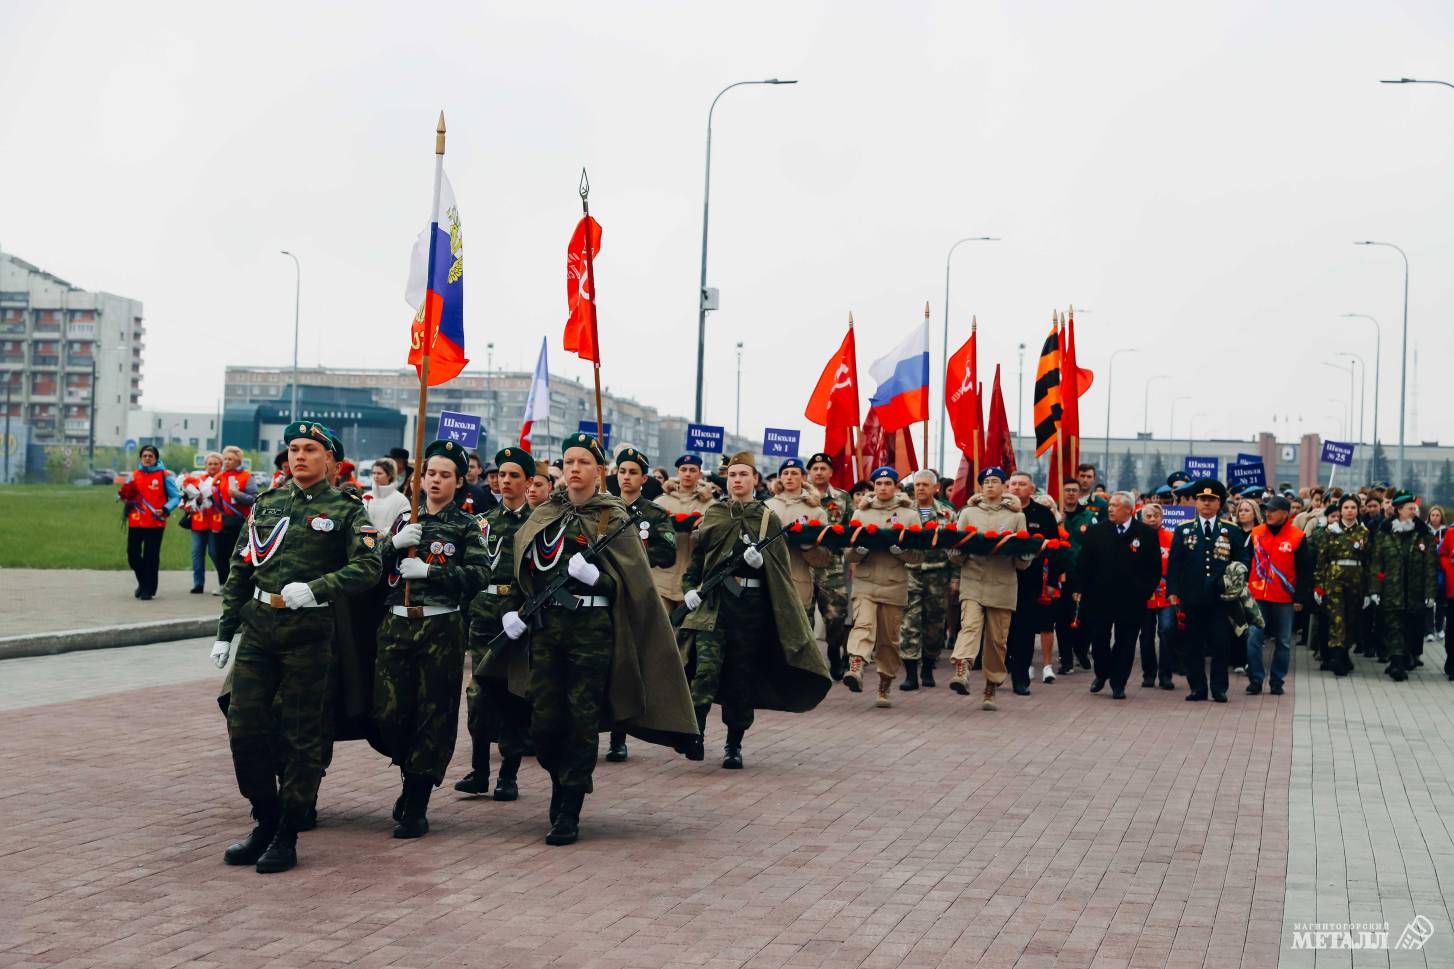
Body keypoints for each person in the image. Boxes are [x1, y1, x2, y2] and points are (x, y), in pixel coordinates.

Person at [497, 432, 698, 846]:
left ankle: (568, 804)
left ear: (599, 471)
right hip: (545, 630)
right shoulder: (545, 512)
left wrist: (600, 579)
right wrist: (513, 608)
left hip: (591, 631)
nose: (574, 468)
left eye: (584, 462)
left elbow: (636, 585)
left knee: (581, 720)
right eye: (568, 461)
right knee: (545, 721)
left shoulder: (614, 517)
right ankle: (561, 778)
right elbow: (522, 568)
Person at [209, 421, 381, 873]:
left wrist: (321, 587)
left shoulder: (346, 509)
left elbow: (369, 567)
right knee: (244, 729)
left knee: (302, 735)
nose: (298, 456)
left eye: (309, 449)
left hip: (308, 632)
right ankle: (264, 819)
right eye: (293, 449)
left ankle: (287, 833)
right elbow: (240, 569)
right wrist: (226, 632)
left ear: (330, 460)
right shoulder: (266, 504)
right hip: (260, 629)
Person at [679, 451, 831, 767]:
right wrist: (689, 591)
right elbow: (696, 563)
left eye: (743, 475)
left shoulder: (767, 519)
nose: (737, 480)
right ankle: (696, 733)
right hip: (712, 606)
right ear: (726, 479)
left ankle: (734, 745)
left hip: (749, 610)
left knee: (740, 678)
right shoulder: (713, 514)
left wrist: (761, 565)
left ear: (755, 480)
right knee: (705, 672)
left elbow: (779, 570)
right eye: (732, 475)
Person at [372, 440, 490, 838]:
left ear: (458, 482)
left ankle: (417, 799)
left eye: (445, 475)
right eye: (431, 473)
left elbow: (479, 576)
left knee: (432, 713)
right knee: (391, 713)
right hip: (397, 626)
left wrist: (430, 572)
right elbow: (369, 567)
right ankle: (408, 776)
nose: (436, 481)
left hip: (441, 626)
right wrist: (392, 546)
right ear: (420, 478)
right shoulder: (405, 520)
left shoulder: (466, 525)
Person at [459, 446, 539, 798]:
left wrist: (523, 612)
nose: (505, 481)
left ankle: (508, 775)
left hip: (519, 620)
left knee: (514, 697)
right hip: (484, 618)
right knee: (479, 696)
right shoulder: (482, 523)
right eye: (501, 475)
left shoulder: (538, 524)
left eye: (513, 476)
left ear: (529, 482)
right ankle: (479, 771)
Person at [603, 446, 677, 764]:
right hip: (605, 593)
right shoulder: (604, 510)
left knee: (627, 664)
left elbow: (668, 552)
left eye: (633, 472)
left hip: (637, 595)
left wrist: (639, 558)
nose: (627, 477)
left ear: (644, 478)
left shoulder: (655, 514)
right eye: (622, 471)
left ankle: (619, 737)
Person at [948, 467, 1030, 710]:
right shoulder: (968, 513)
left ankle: (991, 686)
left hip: (1003, 583)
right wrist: (957, 551)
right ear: (981, 486)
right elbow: (955, 552)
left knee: (997, 640)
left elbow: (1022, 560)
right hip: (973, 579)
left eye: (996, 481)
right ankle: (962, 669)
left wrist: (1024, 553)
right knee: (970, 626)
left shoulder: (1016, 516)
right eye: (986, 482)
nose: (991, 485)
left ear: (1005, 486)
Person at [842, 467, 922, 707]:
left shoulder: (909, 515)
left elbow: (918, 557)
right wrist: (859, 551)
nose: (883, 487)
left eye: (888, 483)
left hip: (893, 585)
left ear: (896, 486)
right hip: (865, 582)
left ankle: (884, 684)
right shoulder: (860, 513)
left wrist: (902, 552)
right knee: (863, 625)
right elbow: (848, 555)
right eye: (878, 483)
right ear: (873, 487)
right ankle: (856, 666)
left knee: (889, 640)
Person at [1166, 478, 1249, 703]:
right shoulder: (1184, 530)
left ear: (1219, 502)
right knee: (1193, 644)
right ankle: (1197, 688)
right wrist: (1172, 590)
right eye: (1202, 499)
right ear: (1195, 502)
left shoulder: (1230, 530)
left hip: (1221, 599)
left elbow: (1243, 560)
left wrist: (1237, 578)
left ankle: (1219, 688)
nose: (1206, 504)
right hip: (1191, 596)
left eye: (1211, 500)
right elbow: (1174, 563)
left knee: (1221, 644)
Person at [1074, 492, 1162, 699]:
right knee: (1099, 640)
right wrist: (1079, 588)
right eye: (1110, 505)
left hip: (1131, 599)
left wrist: (1144, 592)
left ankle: (1118, 682)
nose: (1110, 509)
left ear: (1129, 509)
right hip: (1099, 597)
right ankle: (1102, 673)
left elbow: (1154, 569)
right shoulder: (1096, 531)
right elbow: (1083, 563)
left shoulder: (1146, 534)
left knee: (1126, 642)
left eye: (1115, 506)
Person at [1244, 495, 1312, 696]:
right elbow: (1246, 561)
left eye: (1273, 510)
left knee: (1283, 641)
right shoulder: (1256, 533)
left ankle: (1276, 681)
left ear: (1285, 514)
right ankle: (1256, 679)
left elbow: (1304, 570)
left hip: (1284, 598)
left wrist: (1300, 598)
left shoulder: (1297, 536)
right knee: (1253, 638)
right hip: (1257, 595)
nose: (1268, 513)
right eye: (1267, 510)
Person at [1370, 491, 1439, 681]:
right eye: (1409, 509)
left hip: (1414, 591)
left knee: (1410, 628)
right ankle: (1396, 663)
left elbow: (1430, 565)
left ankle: (1405, 658)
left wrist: (1430, 592)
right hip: (1392, 590)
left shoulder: (1423, 533)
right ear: (1399, 510)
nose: (1413, 512)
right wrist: (1375, 589)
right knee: (1394, 627)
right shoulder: (1385, 532)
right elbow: (1377, 563)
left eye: (1414, 508)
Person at [1005, 471, 1063, 695]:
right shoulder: (1002, 511)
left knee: (1025, 629)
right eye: (1013, 484)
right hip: (1002, 577)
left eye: (1022, 484)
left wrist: (1054, 580)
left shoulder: (1043, 514)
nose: (1017, 488)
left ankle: (1021, 678)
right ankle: (1007, 665)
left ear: (1031, 489)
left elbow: (1055, 548)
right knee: (1004, 629)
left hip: (1030, 579)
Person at [898, 470, 957, 690]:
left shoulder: (947, 514)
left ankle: (928, 666)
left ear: (936, 488)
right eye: (917, 484)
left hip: (937, 574)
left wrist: (956, 578)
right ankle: (911, 674)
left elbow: (955, 547)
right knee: (909, 624)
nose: (920, 488)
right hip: (910, 572)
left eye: (925, 484)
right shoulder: (904, 512)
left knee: (934, 625)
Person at [806, 452, 853, 679]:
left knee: (835, 616)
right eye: (814, 469)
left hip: (831, 565)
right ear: (809, 473)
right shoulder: (801, 496)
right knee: (803, 615)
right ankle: (807, 663)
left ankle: (834, 651)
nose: (818, 472)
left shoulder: (842, 498)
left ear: (831, 473)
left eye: (823, 468)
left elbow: (851, 529)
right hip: (803, 564)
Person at [765, 458, 832, 615]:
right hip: (768, 582)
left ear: (803, 478)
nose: (789, 477)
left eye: (794, 473)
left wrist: (808, 548)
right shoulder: (766, 506)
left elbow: (823, 559)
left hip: (798, 583)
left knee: (796, 636)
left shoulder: (816, 512)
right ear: (780, 477)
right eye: (785, 473)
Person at [1312, 494, 1369, 677]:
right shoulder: (1330, 531)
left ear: (1358, 510)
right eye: (1346, 508)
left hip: (1356, 580)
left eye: (1353, 507)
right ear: (1340, 510)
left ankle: (1344, 653)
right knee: (1336, 618)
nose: (1349, 511)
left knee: (1351, 618)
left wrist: (1369, 590)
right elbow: (1321, 561)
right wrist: (1319, 585)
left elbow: (1370, 562)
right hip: (1334, 580)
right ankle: (1336, 656)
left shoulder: (1364, 533)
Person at [653, 454, 716, 617]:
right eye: (684, 470)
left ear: (700, 474)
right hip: (662, 579)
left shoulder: (710, 505)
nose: (687, 474)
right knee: (662, 630)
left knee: (685, 636)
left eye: (692, 470)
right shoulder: (661, 502)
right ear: (678, 473)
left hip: (693, 581)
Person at [118, 444, 181, 600]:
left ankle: (147, 589)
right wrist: (122, 497)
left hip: (155, 522)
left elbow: (176, 497)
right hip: (136, 521)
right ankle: (144, 582)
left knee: (151, 557)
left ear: (156, 458)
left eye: (150, 456)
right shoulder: (134, 475)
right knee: (132, 555)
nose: (147, 458)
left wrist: (166, 509)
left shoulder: (164, 475)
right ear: (141, 458)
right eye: (144, 456)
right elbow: (126, 492)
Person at [1055, 480, 1097, 674]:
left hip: (1085, 574)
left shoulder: (1088, 516)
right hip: (1062, 573)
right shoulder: (1055, 515)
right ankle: (1066, 659)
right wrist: (1057, 521)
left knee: (1085, 617)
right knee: (1063, 618)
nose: (1071, 494)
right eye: (1067, 490)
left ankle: (1081, 650)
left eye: (1074, 490)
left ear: (1079, 493)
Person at [1137, 502, 1178, 689]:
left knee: (1167, 630)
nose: (1153, 519)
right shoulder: (1135, 538)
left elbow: (1179, 566)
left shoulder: (1172, 537)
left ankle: (1166, 674)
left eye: (1156, 516)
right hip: (1143, 594)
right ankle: (1149, 673)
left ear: (1162, 518)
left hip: (1167, 594)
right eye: (1148, 516)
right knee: (1146, 635)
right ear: (1141, 517)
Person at [214, 446, 259, 589]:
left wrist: (238, 495)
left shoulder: (246, 476)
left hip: (240, 522)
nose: (226, 462)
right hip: (223, 521)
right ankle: (224, 585)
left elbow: (254, 498)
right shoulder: (220, 476)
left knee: (239, 555)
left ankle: (239, 585)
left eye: (230, 459)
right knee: (221, 554)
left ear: (238, 461)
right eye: (225, 459)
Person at [181, 452, 224, 594]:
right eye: (210, 464)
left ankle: (224, 581)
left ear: (221, 465)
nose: (212, 466)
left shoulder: (223, 479)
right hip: (198, 521)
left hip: (216, 522)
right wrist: (196, 499)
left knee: (215, 553)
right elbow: (188, 498)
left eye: (216, 464)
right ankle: (198, 583)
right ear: (205, 465)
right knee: (197, 552)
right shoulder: (198, 480)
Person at [364, 458, 410, 532]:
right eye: (374, 473)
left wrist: (383, 534)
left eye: (379, 473)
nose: (375, 476)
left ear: (389, 475)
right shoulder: (365, 497)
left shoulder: (401, 500)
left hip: (390, 542)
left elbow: (402, 525)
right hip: (367, 540)